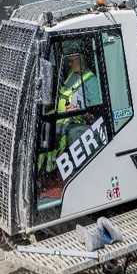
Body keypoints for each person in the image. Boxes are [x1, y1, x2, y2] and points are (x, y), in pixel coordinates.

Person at [37, 52, 102, 192]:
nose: (70, 64)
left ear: (81, 60)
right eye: (69, 61)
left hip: (78, 122)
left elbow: (97, 111)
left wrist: (80, 110)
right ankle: (46, 173)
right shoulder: (73, 75)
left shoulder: (91, 81)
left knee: (60, 136)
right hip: (63, 118)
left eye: (73, 61)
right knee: (44, 129)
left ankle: (55, 175)